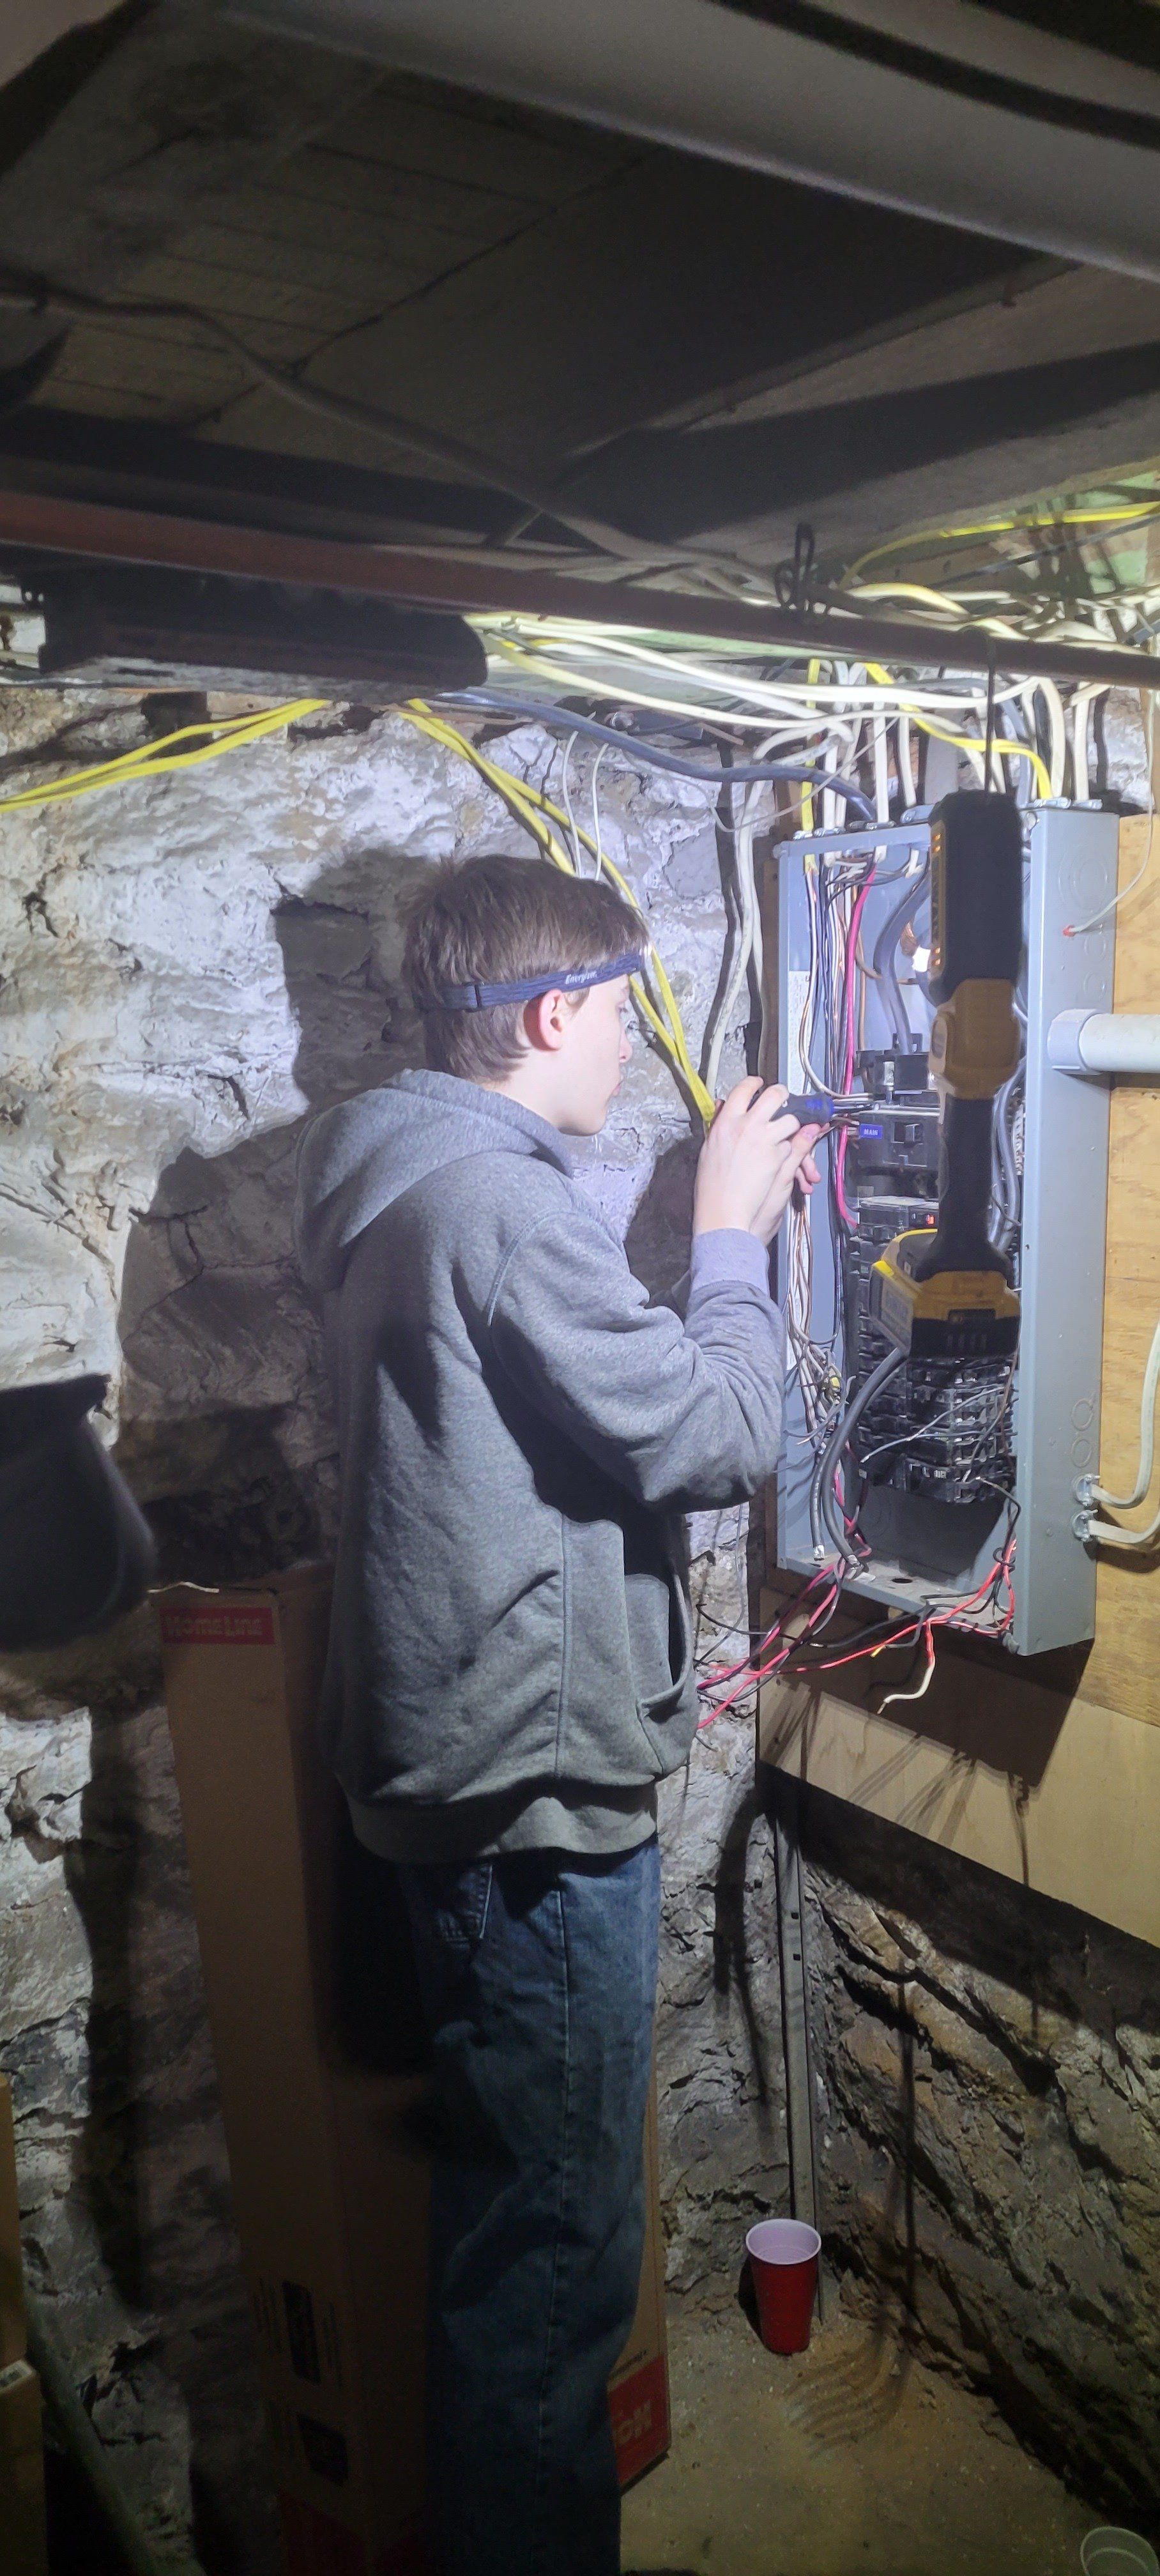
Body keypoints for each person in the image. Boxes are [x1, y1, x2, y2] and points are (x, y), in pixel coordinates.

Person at [294, 852, 820, 2576]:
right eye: (613, 1013)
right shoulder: (500, 1207)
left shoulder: (390, 1178)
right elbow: (704, 1432)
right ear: (547, 1013)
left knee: (512, 2222)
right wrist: (732, 1231)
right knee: (550, 2270)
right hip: (531, 1801)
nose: (626, 1050)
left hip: (446, 1769)